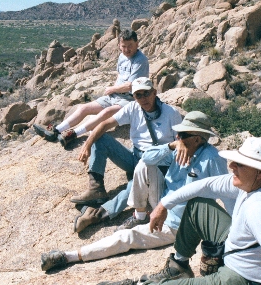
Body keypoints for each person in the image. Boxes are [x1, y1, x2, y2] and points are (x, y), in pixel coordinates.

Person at [39, 111, 228, 272]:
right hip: (161, 205)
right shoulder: (179, 148)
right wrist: (171, 145)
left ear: (197, 138)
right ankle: (139, 214)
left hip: (178, 222)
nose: (178, 137)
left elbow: (226, 193)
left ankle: (68, 256)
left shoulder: (212, 159)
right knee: (145, 166)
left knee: (127, 237)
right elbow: (147, 158)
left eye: (182, 135)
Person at [102, 137, 261, 285]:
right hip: (243, 248)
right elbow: (204, 185)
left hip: (245, 276)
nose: (231, 166)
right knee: (198, 204)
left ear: (260, 172)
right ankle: (179, 265)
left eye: (239, 164)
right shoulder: (256, 183)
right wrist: (164, 205)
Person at [71, 77, 181, 230]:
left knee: (133, 187)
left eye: (146, 93)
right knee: (101, 138)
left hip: (157, 164)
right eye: (138, 95)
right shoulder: (133, 108)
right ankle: (96, 189)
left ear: (154, 92)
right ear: (134, 97)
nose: (143, 98)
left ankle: (99, 214)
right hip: (135, 157)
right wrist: (87, 145)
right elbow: (104, 124)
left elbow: (180, 143)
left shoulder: (171, 113)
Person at [33, 29, 149, 147]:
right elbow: (119, 76)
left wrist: (113, 89)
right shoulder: (122, 57)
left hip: (132, 100)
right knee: (84, 108)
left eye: (130, 46)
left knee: (106, 112)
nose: (127, 49)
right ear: (119, 45)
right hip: (115, 96)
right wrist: (113, 90)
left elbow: (131, 86)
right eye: (123, 46)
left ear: (137, 43)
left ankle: (73, 134)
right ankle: (56, 130)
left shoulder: (141, 60)